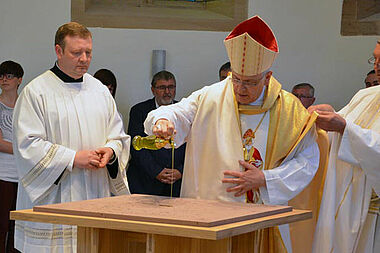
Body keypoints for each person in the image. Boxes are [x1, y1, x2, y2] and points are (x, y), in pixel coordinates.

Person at [144, 16, 320, 252]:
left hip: (261, 219)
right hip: (209, 214)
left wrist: (266, 180)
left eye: (249, 82)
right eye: (236, 79)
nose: (240, 88)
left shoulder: (289, 110)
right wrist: (163, 120)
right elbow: (181, 112)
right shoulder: (211, 96)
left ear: (267, 77)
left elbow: (308, 160)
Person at [12, 22, 130, 252]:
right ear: (58, 51)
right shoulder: (36, 92)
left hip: (95, 194)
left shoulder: (100, 90)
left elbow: (118, 136)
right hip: (56, 197)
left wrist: (111, 152)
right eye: (76, 53)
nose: (84, 59)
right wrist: (73, 158)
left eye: (88, 52)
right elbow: (27, 145)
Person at [311, 41, 380, 253]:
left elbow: (347, 129)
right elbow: (342, 126)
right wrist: (329, 115)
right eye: (375, 58)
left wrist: (343, 128)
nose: (377, 66)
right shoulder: (364, 95)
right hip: (347, 204)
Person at [127, 71, 186, 197]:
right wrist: (156, 171)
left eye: (171, 87)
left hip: (176, 183)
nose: (167, 92)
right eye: (162, 87)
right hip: (145, 181)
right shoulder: (139, 111)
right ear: (153, 90)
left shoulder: (184, 111)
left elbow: (192, 146)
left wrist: (181, 171)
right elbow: (136, 146)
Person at [0, 60, 23, 253]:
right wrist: (26, 148)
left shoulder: (26, 105)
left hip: (23, 175)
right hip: (2, 174)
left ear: (19, 80)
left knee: (18, 226)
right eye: (1, 76)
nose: (4, 79)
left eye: (9, 76)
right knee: (1, 225)